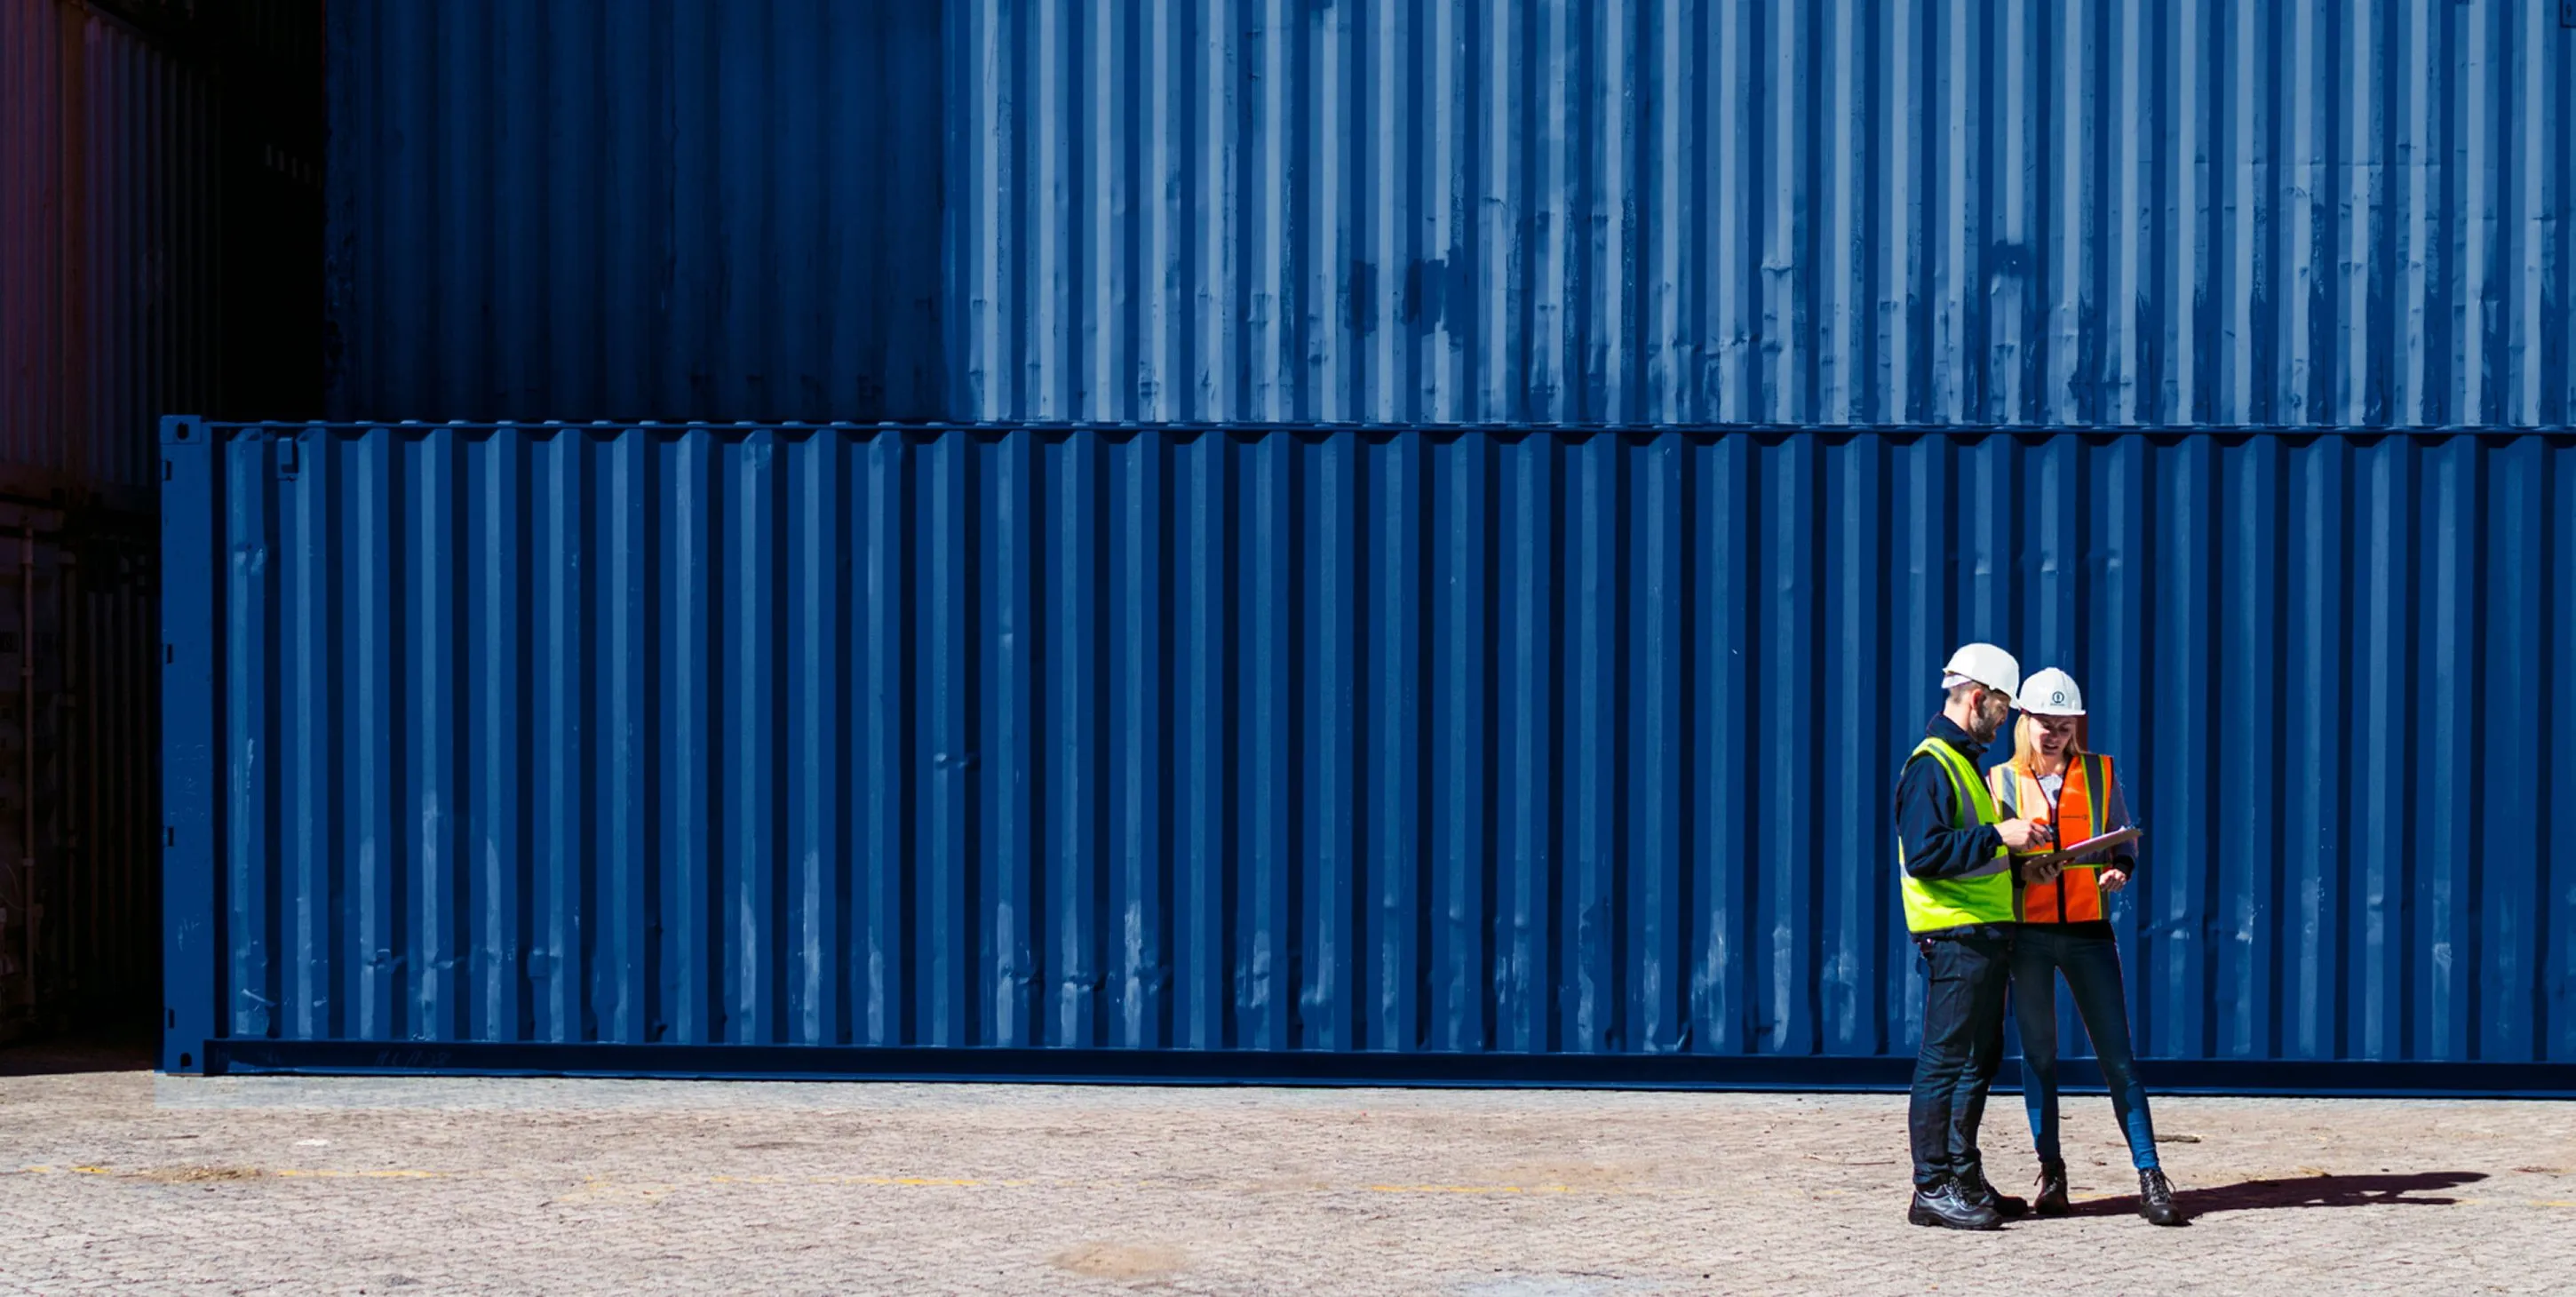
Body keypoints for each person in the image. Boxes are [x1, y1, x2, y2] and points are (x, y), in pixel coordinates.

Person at [1989, 667, 2187, 1227]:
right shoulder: (1998, 781)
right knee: (2039, 1057)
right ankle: (2052, 1174)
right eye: (2043, 724)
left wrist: (2120, 869)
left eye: (2063, 724)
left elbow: (2121, 836)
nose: (2053, 734)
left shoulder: (2101, 774)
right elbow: (1989, 861)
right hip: (2028, 935)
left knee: (2117, 1060)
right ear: (2022, 721)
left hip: (2088, 933)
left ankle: (2150, 1176)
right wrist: (2022, 870)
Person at [1895, 642, 2055, 1230]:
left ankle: (1962, 1175)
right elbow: (1927, 855)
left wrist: (2020, 863)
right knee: (1946, 1061)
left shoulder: (1962, 763)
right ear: (1979, 698)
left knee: (1977, 1061)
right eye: (2004, 709)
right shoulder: (1932, 764)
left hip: (1984, 935)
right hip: (1955, 937)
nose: (2006, 720)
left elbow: (1973, 854)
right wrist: (2000, 837)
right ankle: (1931, 1186)